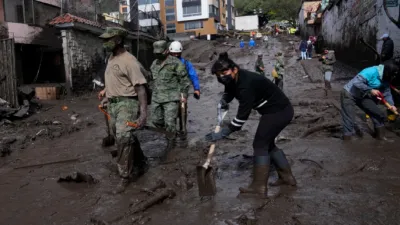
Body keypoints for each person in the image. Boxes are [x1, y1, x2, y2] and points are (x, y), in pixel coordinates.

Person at [205, 52, 296, 196]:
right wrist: (224, 100)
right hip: (273, 111)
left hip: (278, 112)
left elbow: (242, 117)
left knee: (260, 145)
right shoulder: (234, 79)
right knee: (268, 144)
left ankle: (258, 187)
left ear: (234, 69)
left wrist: (224, 132)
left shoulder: (246, 84)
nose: (222, 76)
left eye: (224, 72)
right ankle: (287, 178)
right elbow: (229, 91)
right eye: (218, 74)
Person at [98, 27, 149, 194]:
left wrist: (143, 114)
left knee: (123, 137)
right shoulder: (111, 58)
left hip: (128, 104)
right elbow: (115, 80)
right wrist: (108, 95)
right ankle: (141, 163)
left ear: (118, 40)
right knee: (123, 136)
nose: (105, 43)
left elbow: (140, 88)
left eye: (108, 39)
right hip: (114, 104)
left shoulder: (130, 61)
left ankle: (124, 177)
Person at [149, 40, 190, 153]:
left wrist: (184, 95)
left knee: (170, 122)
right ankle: (170, 133)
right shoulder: (154, 64)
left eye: (160, 52)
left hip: (171, 98)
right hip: (157, 98)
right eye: (156, 53)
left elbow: (184, 80)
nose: (158, 55)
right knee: (155, 120)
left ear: (166, 51)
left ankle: (171, 143)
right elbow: (152, 80)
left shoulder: (176, 63)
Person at [341, 62, 399, 141]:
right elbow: (356, 83)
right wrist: (370, 90)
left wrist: (392, 105)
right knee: (349, 118)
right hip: (349, 94)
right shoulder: (370, 71)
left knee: (376, 113)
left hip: (363, 95)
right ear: (387, 72)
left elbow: (387, 93)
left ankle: (381, 137)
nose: (392, 78)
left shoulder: (387, 78)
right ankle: (347, 139)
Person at [168, 41, 201, 139]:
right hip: (169, 91)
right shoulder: (166, 63)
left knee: (182, 109)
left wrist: (197, 89)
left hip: (182, 90)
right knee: (170, 112)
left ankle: (183, 129)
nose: (176, 55)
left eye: (178, 53)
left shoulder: (186, 64)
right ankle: (171, 132)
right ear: (170, 52)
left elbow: (193, 76)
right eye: (174, 54)